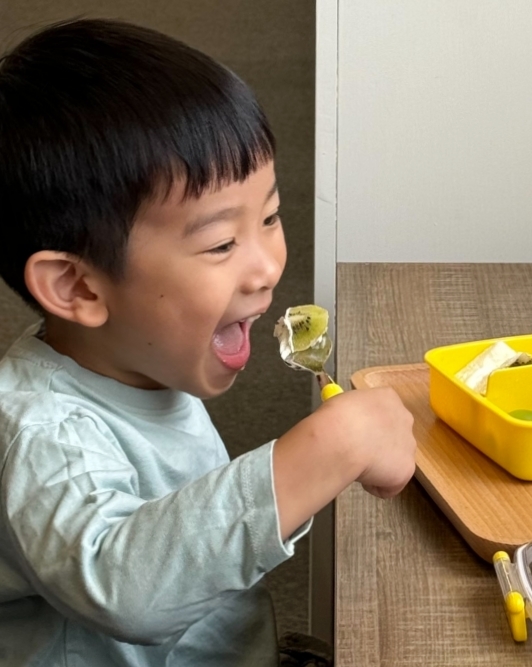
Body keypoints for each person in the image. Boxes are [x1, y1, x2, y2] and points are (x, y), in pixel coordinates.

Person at [0, 18, 416, 666]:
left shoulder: (139, 356)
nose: (267, 267)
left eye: (270, 216)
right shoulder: (39, 434)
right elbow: (124, 588)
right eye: (221, 244)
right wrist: (326, 448)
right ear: (77, 287)